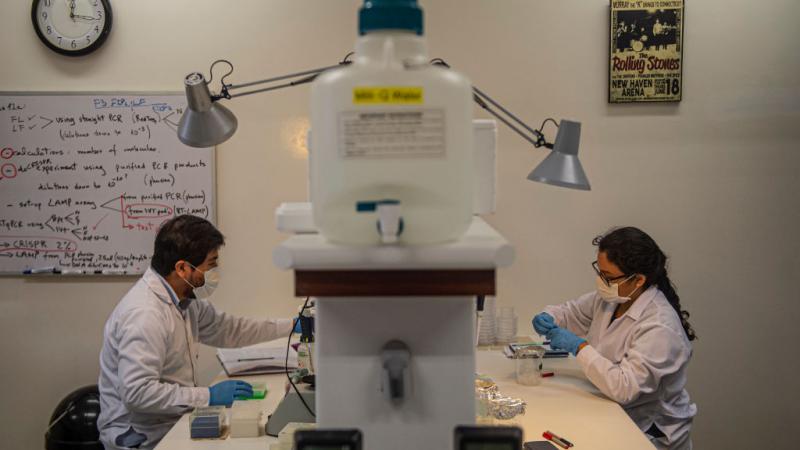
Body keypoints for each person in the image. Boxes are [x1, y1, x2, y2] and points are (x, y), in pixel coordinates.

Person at [97, 215, 297, 450]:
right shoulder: (145, 315)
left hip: (171, 421)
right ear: (182, 268)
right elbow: (138, 393)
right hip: (143, 436)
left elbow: (231, 330)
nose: (214, 272)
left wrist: (292, 325)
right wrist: (208, 396)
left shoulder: (185, 302)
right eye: (210, 264)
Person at [531, 227, 697, 450]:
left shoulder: (660, 326)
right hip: (612, 411)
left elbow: (625, 388)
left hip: (648, 431)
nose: (601, 281)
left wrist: (579, 347)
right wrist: (549, 316)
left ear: (638, 280)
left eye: (608, 277)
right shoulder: (613, 299)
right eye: (599, 272)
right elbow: (571, 313)